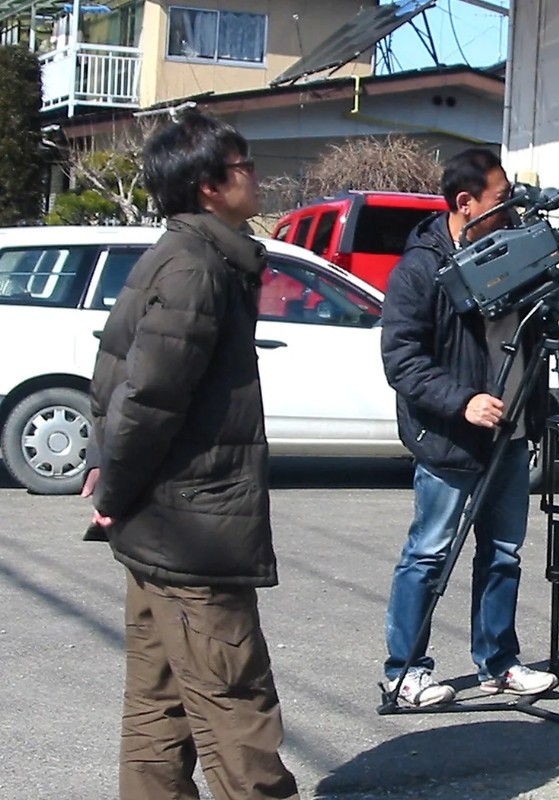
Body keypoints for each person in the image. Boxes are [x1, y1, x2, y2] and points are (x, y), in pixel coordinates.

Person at [81, 110, 299, 800]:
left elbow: (121, 378)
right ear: (209, 185)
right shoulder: (197, 268)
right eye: (245, 168)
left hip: (162, 530)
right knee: (235, 708)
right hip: (191, 537)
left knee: (159, 709)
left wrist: (113, 480)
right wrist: (113, 490)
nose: (256, 179)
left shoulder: (184, 255)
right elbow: (147, 398)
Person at [379, 147, 559, 707]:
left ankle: (498, 662)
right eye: (501, 199)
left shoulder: (512, 254)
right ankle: (404, 670)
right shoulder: (419, 269)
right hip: (452, 437)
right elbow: (402, 360)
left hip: (511, 433)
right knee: (429, 552)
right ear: (466, 203)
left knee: (503, 551)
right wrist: (463, 402)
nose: (511, 209)